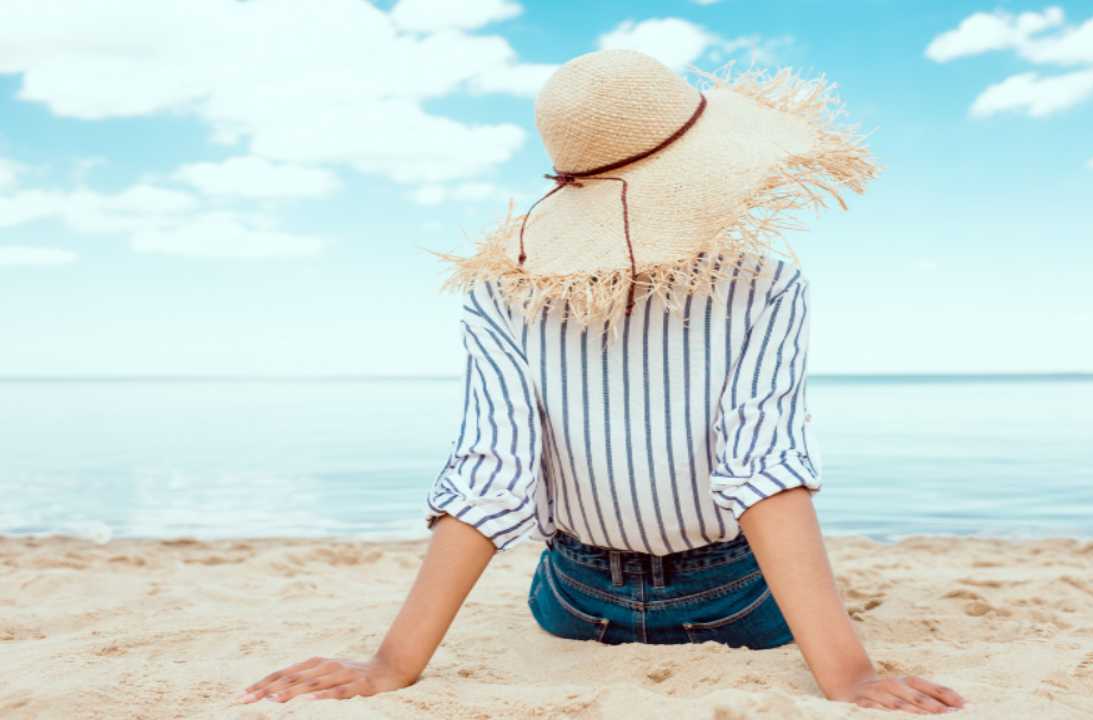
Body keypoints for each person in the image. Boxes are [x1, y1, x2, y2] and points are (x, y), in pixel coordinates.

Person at [240, 49, 967, 714]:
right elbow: (761, 475)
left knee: (554, 577)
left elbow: (491, 478)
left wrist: (392, 663)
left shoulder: (501, 297)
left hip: (578, 603)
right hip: (734, 602)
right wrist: (849, 676)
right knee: (773, 570)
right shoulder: (765, 287)